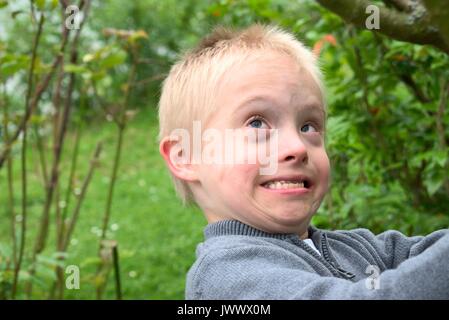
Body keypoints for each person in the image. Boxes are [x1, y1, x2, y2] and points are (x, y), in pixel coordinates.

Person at [157, 24, 449, 299]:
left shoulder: (358, 248)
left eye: (308, 125)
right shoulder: (225, 276)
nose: (297, 147)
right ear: (186, 156)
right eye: (257, 123)